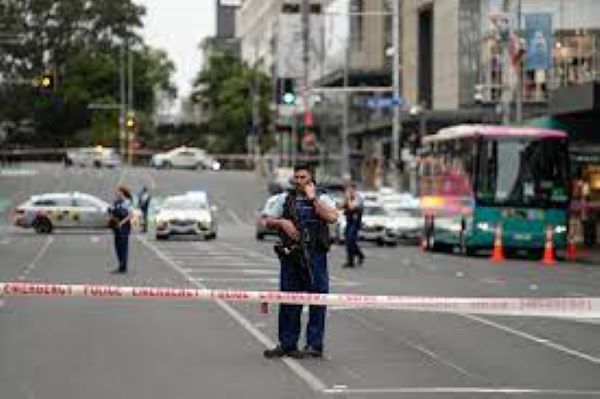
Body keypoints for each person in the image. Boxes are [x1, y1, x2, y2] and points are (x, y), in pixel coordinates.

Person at [261, 164, 338, 359]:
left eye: (303, 177)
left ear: (311, 179)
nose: (298, 181)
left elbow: (331, 217)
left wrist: (313, 200)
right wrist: (281, 222)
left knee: (318, 300)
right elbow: (265, 220)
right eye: (296, 177)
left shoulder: (323, 198)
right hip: (291, 256)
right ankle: (287, 344)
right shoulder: (284, 199)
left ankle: (314, 345)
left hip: (315, 256)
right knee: (288, 300)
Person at [109, 185, 133, 273]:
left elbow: (130, 215)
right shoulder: (116, 202)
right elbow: (112, 211)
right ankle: (120, 264)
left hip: (124, 226)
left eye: (118, 192)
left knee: (123, 246)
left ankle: (123, 266)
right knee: (117, 246)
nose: (116, 193)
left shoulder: (127, 202)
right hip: (116, 226)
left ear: (122, 192)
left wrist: (121, 223)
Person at [341, 183, 364, 267]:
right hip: (349, 221)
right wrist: (345, 199)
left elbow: (351, 207)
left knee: (351, 240)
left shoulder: (358, 198)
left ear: (353, 189)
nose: (347, 191)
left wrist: (349, 198)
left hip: (355, 222)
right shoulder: (348, 198)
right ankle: (351, 261)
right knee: (348, 241)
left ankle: (358, 255)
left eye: (349, 189)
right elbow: (341, 206)